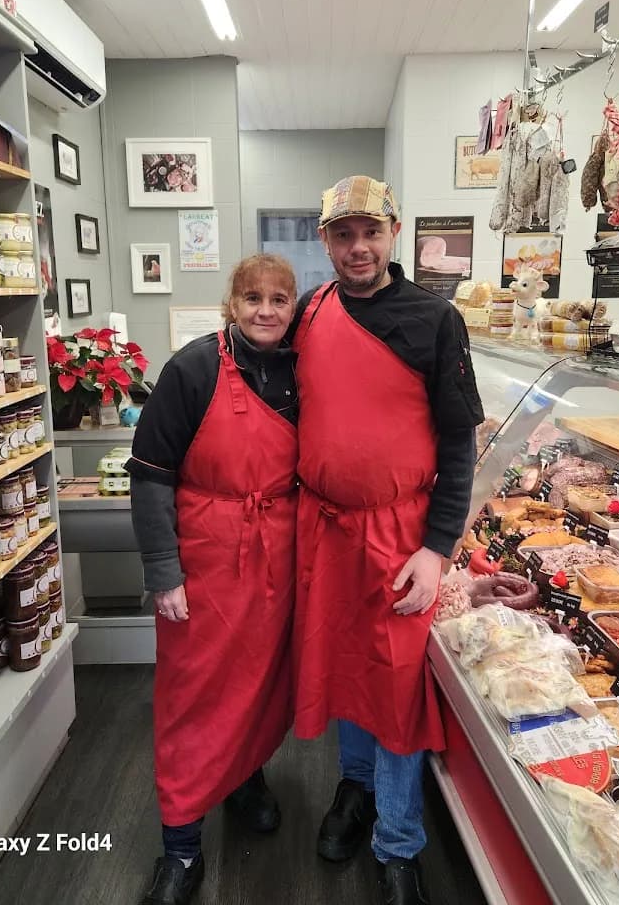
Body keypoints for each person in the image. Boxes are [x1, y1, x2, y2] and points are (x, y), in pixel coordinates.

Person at [291, 176, 484, 905]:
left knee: (397, 686)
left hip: (401, 535)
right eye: (343, 234)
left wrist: (437, 548)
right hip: (326, 530)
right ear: (325, 241)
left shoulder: (436, 320)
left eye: (370, 231)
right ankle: (357, 789)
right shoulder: (311, 312)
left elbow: (459, 446)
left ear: (395, 232)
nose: (358, 247)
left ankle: (400, 841)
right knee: (347, 669)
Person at [126, 254, 299, 905]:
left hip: (274, 558)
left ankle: (244, 779)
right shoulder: (193, 368)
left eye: (279, 299)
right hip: (203, 559)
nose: (265, 310)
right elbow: (149, 474)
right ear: (231, 303)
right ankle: (181, 847)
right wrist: (163, 572)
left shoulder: (298, 372)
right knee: (192, 699)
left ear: (292, 307)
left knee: (259, 684)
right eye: (252, 297)